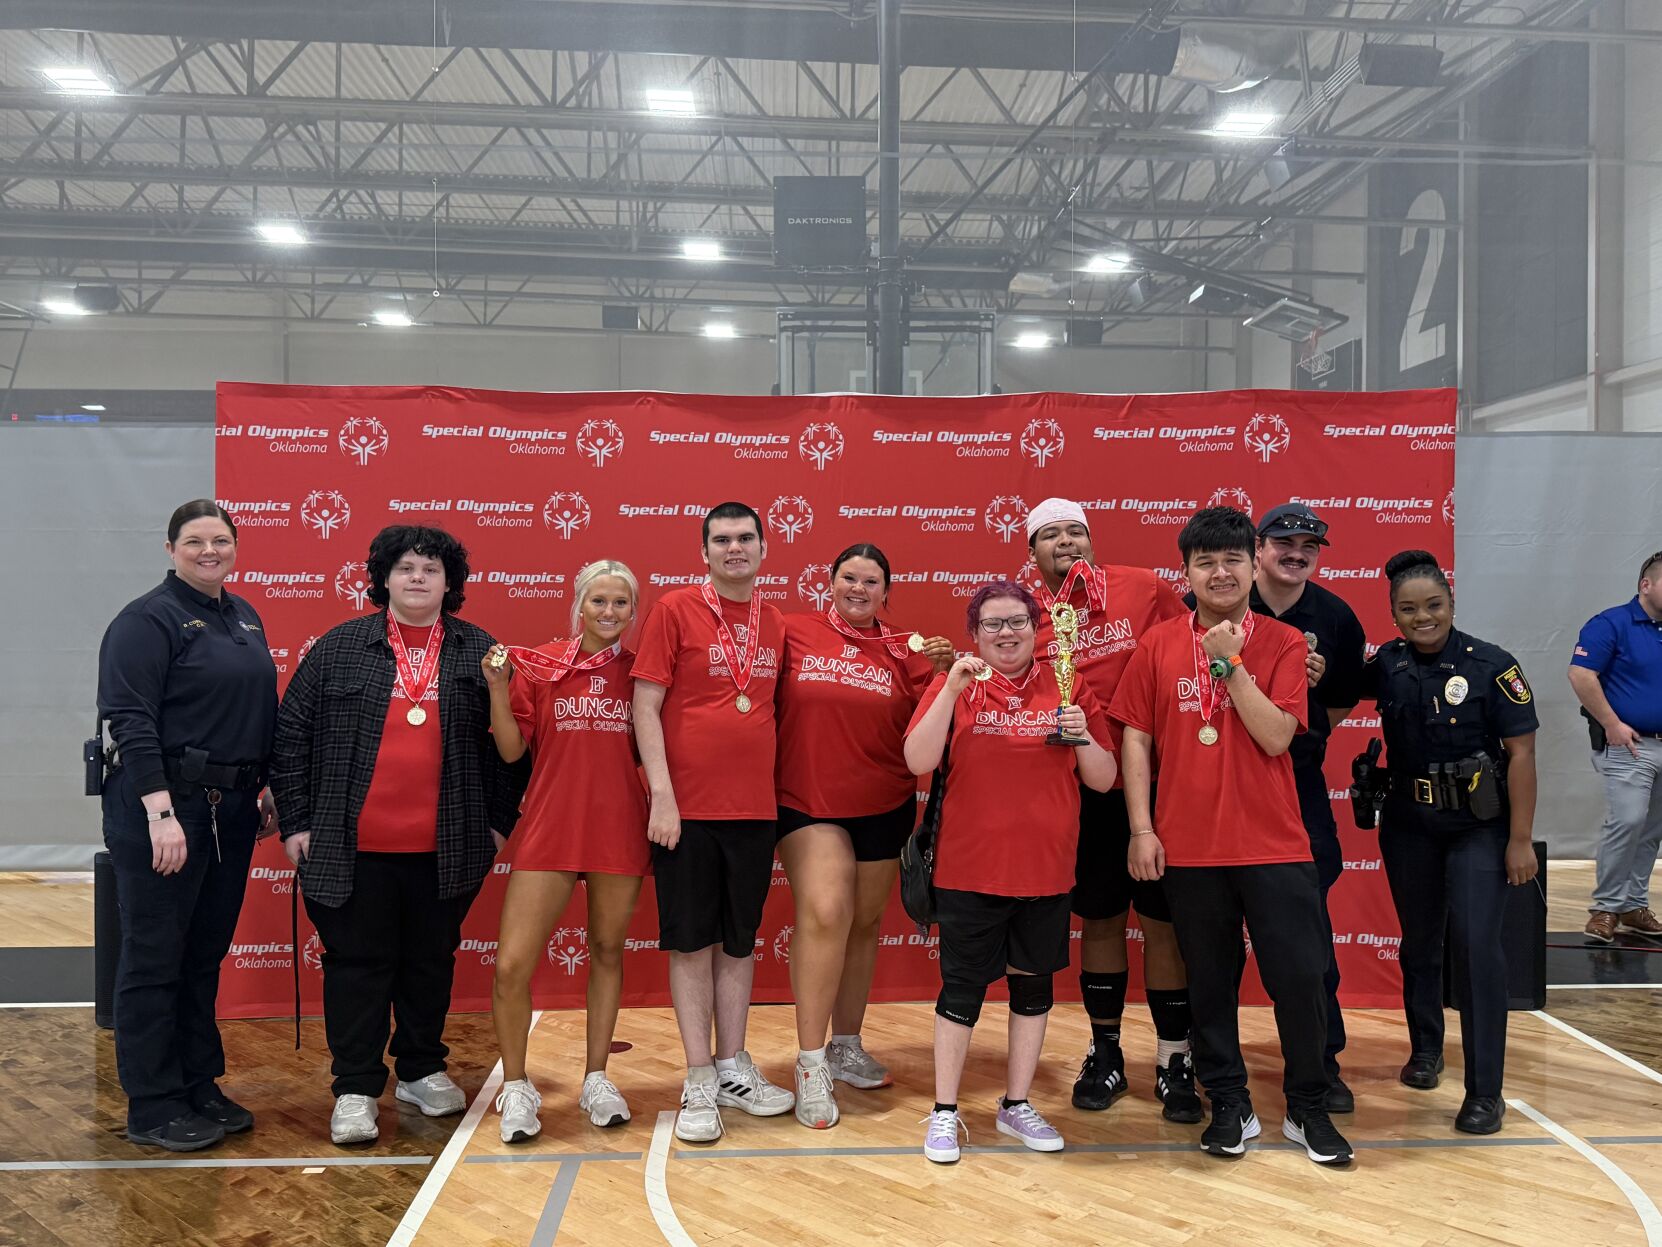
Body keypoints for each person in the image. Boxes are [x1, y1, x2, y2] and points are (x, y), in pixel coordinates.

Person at [270, 525, 527, 1146]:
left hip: (448, 848)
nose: (417, 578)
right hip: (348, 847)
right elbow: (289, 740)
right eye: (406, 567)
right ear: (383, 577)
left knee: (429, 964)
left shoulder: (481, 652)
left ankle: (419, 1068)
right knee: (357, 967)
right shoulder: (337, 648)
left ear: (450, 583)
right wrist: (296, 823)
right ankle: (356, 1087)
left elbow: (510, 750)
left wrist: (496, 827)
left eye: (431, 569)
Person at [1112, 506, 1352, 1167]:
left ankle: (1307, 1105)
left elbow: (1277, 734)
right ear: (1186, 572)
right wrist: (1141, 827)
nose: (1220, 572)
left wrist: (1232, 663)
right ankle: (1229, 1102)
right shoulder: (1158, 642)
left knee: (1299, 978)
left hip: (1275, 844)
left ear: (1253, 566)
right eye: (1205, 562)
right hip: (1189, 846)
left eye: (1232, 560)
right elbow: (1136, 735)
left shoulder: (1282, 643)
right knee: (1210, 984)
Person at [904, 581, 1117, 1164]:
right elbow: (917, 760)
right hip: (969, 872)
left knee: (1032, 988)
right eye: (993, 623)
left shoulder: (1069, 687)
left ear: (1036, 628)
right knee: (964, 989)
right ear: (974, 634)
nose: (1007, 633)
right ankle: (945, 1111)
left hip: (1045, 873)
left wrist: (1081, 737)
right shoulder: (955, 686)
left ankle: (1015, 1104)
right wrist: (948, 689)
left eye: (1018, 621)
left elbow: (1102, 778)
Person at [96, 500, 278, 1151]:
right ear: (171, 547)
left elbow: (256, 709)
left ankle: (196, 1079)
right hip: (164, 809)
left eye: (220, 539)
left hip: (229, 809)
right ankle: (152, 1100)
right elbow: (132, 722)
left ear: (235, 546)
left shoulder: (244, 616)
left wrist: (262, 788)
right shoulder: (147, 619)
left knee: (202, 954)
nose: (209, 550)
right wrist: (161, 813)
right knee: (154, 956)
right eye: (195, 540)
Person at [1182, 503, 1366, 1113]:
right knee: (1211, 952)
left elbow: (1337, 708)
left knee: (1306, 943)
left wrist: (1293, 701)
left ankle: (1321, 1064)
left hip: (1297, 786)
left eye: (1308, 544)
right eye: (1283, 541)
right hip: (1210, 792)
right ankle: (1214, 1072)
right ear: (1257, 549)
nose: (1296, 551)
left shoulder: (1335, 617)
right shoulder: (1213, 602)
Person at [1022, 497, 1199, 1124]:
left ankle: (1175, 1057)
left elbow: (1192, 644)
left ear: (1092, 541)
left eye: (1076, 531)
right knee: (1099, 921)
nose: (1065, 542)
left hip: (1154, 780)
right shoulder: (1022, 611)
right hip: (1077, 789)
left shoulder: (1142, 587)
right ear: (1032, 551)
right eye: (1051, 535)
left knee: (1161, 924)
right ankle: (1106, 1052)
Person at [775, 543, 954, 1128]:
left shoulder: (909, 650)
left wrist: (947, 674)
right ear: (828, 582)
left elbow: (937, 719)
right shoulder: (792, 633)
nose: (858, 588)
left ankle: (844, 1044)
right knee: (827, 911)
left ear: (885, 592)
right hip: (808, 802)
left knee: (864, 923)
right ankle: (809, 1063)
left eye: (871, 581)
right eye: (848, 577)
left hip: (885, 801)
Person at [632, 502, 793, 1143]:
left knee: (738, 941)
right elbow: (646, 708)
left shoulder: (776, 620)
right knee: (691, 942)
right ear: (704, 551)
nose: (734, 548)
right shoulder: (674, 610)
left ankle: (733, 1065)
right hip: (687, 812)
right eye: (721, 540)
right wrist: (662, 795)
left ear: (763, 549)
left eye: (745, 538)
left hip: (754, 811)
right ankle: (698, 1077)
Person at [1366, 549, 1539, 1135]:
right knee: (1419, 943)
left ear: (1451, 604)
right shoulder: (1386, 664)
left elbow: (1522, 756)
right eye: (1409, 609)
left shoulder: (1494, 666)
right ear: (1393, 615)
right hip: (1409, 826)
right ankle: (1426, 1051)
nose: (1423, 617)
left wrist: (1520, 840)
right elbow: (1329, 703)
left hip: (1479, 829)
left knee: (1476, 947)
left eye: (1433, 605)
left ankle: (1485, 1092)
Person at [482, 559, 648, 1143]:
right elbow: (509, 751)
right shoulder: (542, 665)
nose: (609, 612)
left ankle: (597, 1077)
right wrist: (499, 689)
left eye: (621, 603)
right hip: (550, 825)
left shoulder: (642, 672)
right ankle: (519, 1084)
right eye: (598, 601)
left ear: (633, 610)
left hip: (620, 828)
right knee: (511, 965)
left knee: (606, 949)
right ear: (580, 605)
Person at [1568, 550, 1662, 944]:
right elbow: (1581, 673)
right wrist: (1612, 723)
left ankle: (1633, 905)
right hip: (1631, 745)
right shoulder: (1611, 623)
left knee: (1651, 828)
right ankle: (1605, 906)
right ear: (1646, 585)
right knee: (1627, 820)